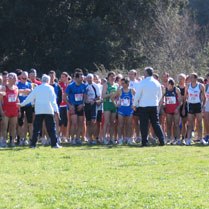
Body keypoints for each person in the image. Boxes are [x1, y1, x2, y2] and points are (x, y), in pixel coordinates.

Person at [20, 74, 61, 148]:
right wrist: (56, 110)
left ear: (42, 80)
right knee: (51, 128)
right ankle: (54, 144)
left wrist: (21, 104)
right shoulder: (50, 88)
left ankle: (33, 144)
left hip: (39, 111)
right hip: (48, 110)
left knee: (36, 128)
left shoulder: (37, 88)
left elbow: (30, 98)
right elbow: (53, 101)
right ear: (48, 81)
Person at [133, 67, 165, 146]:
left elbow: (137, 95)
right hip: (154, 105)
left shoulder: (143, 82)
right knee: (156, 123)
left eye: (144, 72)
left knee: (144, 124)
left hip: (143, 106)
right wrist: (156, 102)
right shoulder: (157, 83)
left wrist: (134, 104)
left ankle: (144, 142)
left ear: (146, 73)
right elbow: (160, 95)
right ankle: (162, 140)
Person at [64, 71, 87, 145]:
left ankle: (78, 139)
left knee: (80, 123)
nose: (82, 78)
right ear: (76, 78)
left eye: (82, 77)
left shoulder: (83, 86)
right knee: (74, 123)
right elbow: (64, 97)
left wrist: (83, 104)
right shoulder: (70, 86)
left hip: (80, 106)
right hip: (73, 106)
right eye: (81, 77)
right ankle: (72, 139)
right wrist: (70, 105)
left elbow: (85, 96)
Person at [111, 77, 135, 145]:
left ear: (127, 84)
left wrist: (134, 105)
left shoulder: (132, 90)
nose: (122, 84)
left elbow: (137, 97)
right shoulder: (119, 90)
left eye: (123, 83)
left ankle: (129, 138)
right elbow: (112, 97)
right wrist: (115, 105)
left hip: (129, 110)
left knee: (129, 125)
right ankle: (120, 139)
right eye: (121, 83)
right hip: (121, 110)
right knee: (120, 125)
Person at [184, 72, 206, 145]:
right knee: (190, 123)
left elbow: (204, 97)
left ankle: (201, 138)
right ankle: (188, 139)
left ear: (195, 78)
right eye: (189, 77)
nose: (190, 78)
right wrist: (184, 106)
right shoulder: (187, 86)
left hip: (198, 105)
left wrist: (202, 106)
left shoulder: (200, 86)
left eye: (192, 77)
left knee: (199, 123)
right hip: (190, 105)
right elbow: (185, 96)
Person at [1, 73, 20, 147]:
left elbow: (17, 99)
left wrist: (19, 110)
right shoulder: (4, 88)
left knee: (13, 126)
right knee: (4, 126)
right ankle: (4, 141)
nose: (15, 79)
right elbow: (0, 100)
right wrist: (1, 110)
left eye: (15, 78)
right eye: (13, 78)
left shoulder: (16, 88)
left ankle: (12, 141)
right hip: (6, 110)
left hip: (14, 110)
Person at [163, 78, 182, 145]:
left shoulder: (176, 90)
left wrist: (178, 108)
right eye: (167, 85)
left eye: (169, 85)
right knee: (169, 125)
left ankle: (178, 139)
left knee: (176, 125)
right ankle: (168, 139)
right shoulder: (165, 90)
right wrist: (163, 103)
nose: (168, 86)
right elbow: (162, 98)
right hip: (168, 110)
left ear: (172, 84)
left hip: (176, 110)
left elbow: (180, 101)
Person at [102, 71, 118, 144]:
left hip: (114, 105)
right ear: (108, 77)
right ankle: (104, 138)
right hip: (107, 104)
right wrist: (110, 94)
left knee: (112, 122)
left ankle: (111, 138)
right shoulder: (106, 85)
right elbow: (103, 96)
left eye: (114, 76)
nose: (113, 77)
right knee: (106, 122)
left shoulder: (116, 85)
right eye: (111, 76)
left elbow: (118, 95)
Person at [17, 71, 33, 146]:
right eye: (23, 78)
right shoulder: (17, 84)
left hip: (28, 105)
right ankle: (21, 138)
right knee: (21, 123)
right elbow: (15, 91)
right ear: (20, 78)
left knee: (30, 123)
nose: (24, 80)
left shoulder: (29, 84)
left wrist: (30, 91)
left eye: (26, 78)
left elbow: (33, 92)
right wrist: (24, 91)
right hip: (20, 105)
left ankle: (31, 139)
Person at [85, 74, 100, 144]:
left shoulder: (95, 86)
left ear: (93, 79)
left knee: (93, 122)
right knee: (88, 122)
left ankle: (94, 138)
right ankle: (89, 138)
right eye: (88, 78)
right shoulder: (85, 85)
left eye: (91, 78)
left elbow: (99, 97)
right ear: (86, 79)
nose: (89, 79)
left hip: (93, 105)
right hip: (87, 105)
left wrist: (93, 100)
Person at [128, 69, 141, 143]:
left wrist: (135, 104)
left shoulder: (139, 83)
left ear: (135, 75)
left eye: (132, 74)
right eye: (129, 74)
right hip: (127, 105)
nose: (130, 75)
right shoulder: (127, 83)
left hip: (136, 105)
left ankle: (138, 136)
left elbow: (139, 95)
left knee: (136, 121)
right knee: (129, 122)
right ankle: (130, 137)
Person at [58, 72, 69, 142]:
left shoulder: (69, 85)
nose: (62, 78)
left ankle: (65, 136)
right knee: (60, 122)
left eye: (63, 77)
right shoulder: (59, 85)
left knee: (65, 122)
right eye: (61, 77)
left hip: (67, 105)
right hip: (60, 105)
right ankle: (60, 135)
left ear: (66, 77)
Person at [177, 73, 187, 144]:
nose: (180, 80)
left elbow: (186, 98)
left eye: (182, 79)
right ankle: (176, 138)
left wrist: (183, 108)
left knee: (184, 123)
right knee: (176, 123)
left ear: (185, 80)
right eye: (179, 79)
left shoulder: (187, 88)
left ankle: (183, 138)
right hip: (176, 107)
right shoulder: (176, 88)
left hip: (185, 106)